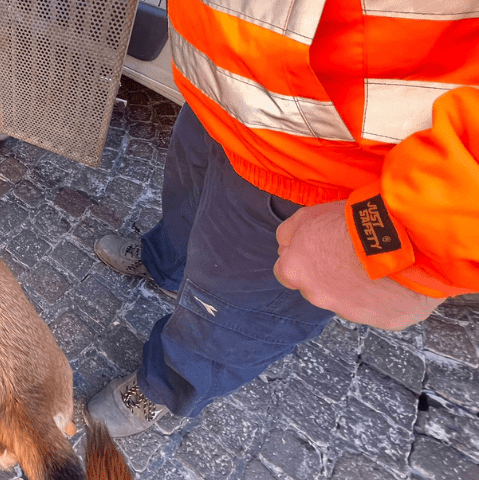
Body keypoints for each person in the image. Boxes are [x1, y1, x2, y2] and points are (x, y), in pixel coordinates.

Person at [87, 0, 479, 436]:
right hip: (216, 95)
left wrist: (407, 232)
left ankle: (166, 387)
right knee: (186, 207)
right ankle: (166, 265)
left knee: (233, 316)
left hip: (320, 166)